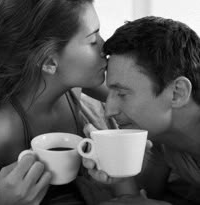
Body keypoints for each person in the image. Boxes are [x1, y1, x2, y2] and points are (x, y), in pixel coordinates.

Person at [0, 0, 111, 204]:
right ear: (49, 62)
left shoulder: (77, 85)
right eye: (92, 39)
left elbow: (141, 101)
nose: (105, 46)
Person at [82, 16, 200, 205]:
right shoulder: (161, 136)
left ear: (177, 93)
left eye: (122, 94)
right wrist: (121, 174)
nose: (108, 111)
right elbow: (141, 198)